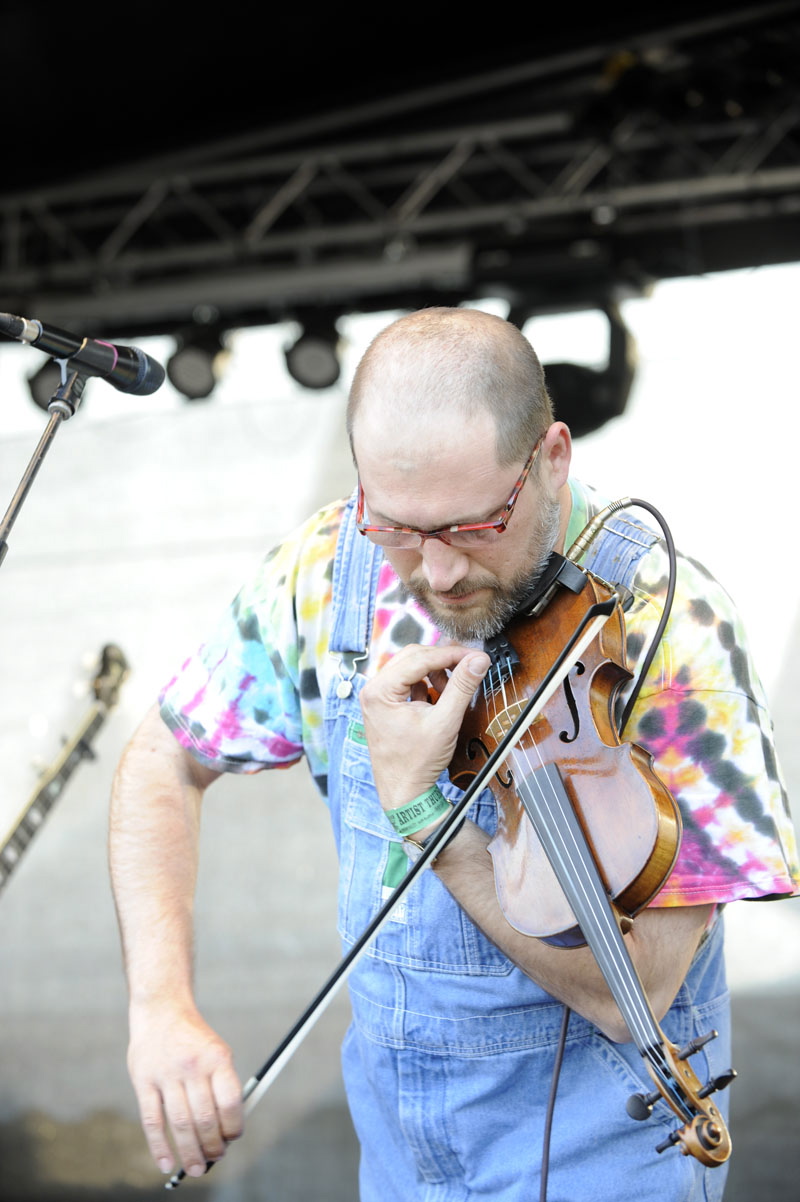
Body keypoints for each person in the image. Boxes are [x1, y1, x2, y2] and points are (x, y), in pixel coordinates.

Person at [109, 306, 799, 1201]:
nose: (434, 573)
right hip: (398, 1168)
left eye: (472, 528)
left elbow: (638, 991)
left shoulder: (673, 630)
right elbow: (165, 757)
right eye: (396, 524)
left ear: (552, 458)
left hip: (606, 1169)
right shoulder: (329, 570)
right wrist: (159, 1007)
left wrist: (422, 810)